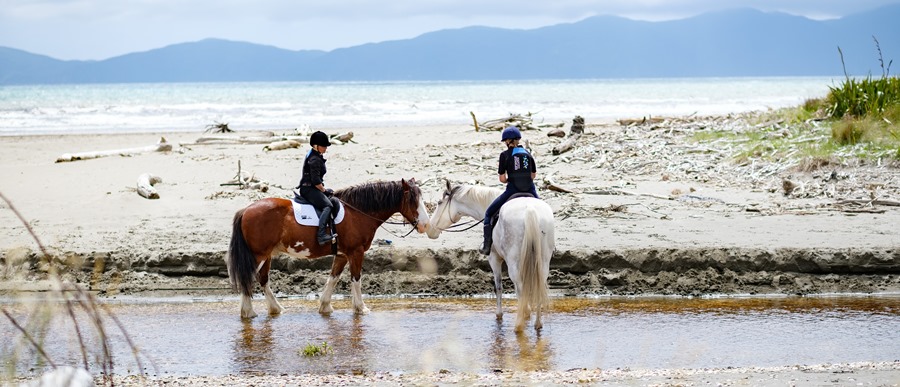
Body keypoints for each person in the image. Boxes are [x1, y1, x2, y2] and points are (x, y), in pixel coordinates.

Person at [480, 125, 539, 255]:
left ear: (507, 141)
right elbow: (533, 176)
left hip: (513, 190)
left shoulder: (504, 155)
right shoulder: (527, 153)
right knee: (541, 214)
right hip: (530, 190)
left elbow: (502, 179)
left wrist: (509, 179)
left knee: (489, 214)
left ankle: (487, 246)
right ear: (518, 140)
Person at [297, 130, 336, 245]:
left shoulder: (313, 154)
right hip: (309, 189)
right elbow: (316, 182)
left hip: (310, 187)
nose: (325, 148)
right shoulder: (314, 160)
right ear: (316, 146)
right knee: (328, 206)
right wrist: (324, 190)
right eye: (323, 146)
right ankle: (322, 235)